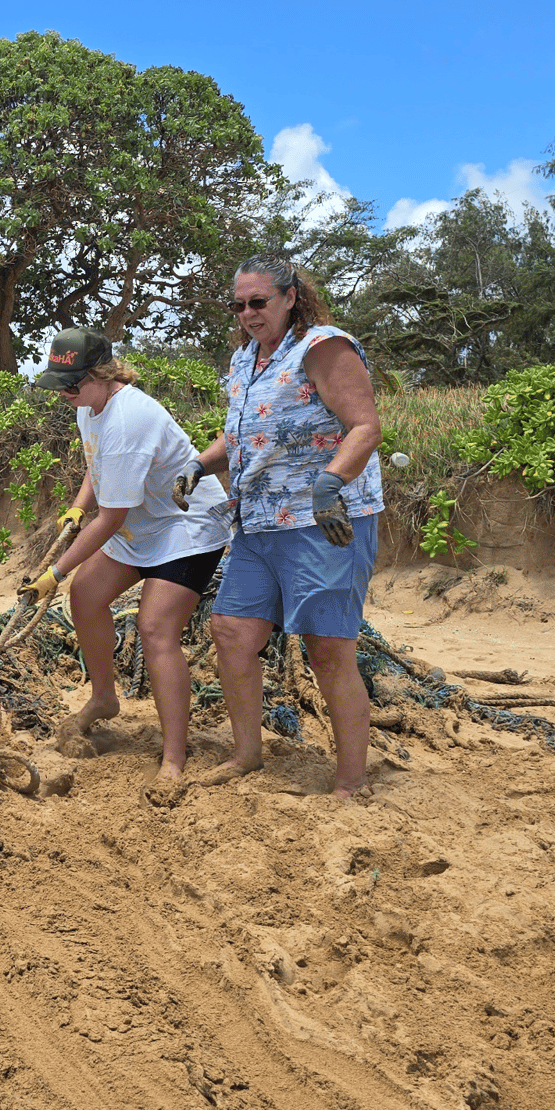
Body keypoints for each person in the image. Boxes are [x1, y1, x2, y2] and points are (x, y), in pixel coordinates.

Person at [186, 253, 384, 801]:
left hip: (323, 522)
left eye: (259, 302)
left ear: (290, 296)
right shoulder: (244, 358)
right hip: (257, 523)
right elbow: (249, 435)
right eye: (239, 305)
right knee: (230, 632)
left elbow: (365, 426)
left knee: (327, 648)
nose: (248, 313)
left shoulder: (322, 347)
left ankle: (350, 781)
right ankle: (247, 754)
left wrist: (330, 483)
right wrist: (199, 464)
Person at [18, 329, 232, 796]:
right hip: (142, 525)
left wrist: (54, 572)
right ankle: (103, 698)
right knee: (86, 595)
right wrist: (78, 504)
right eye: (61, 384)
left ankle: (174, 754)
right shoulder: (90, 406)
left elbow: (111, 519)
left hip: (185, 527)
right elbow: (99, 471)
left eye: (73, 383)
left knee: (156, 629)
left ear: (102, 374)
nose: (66, 392)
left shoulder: (129, 419)